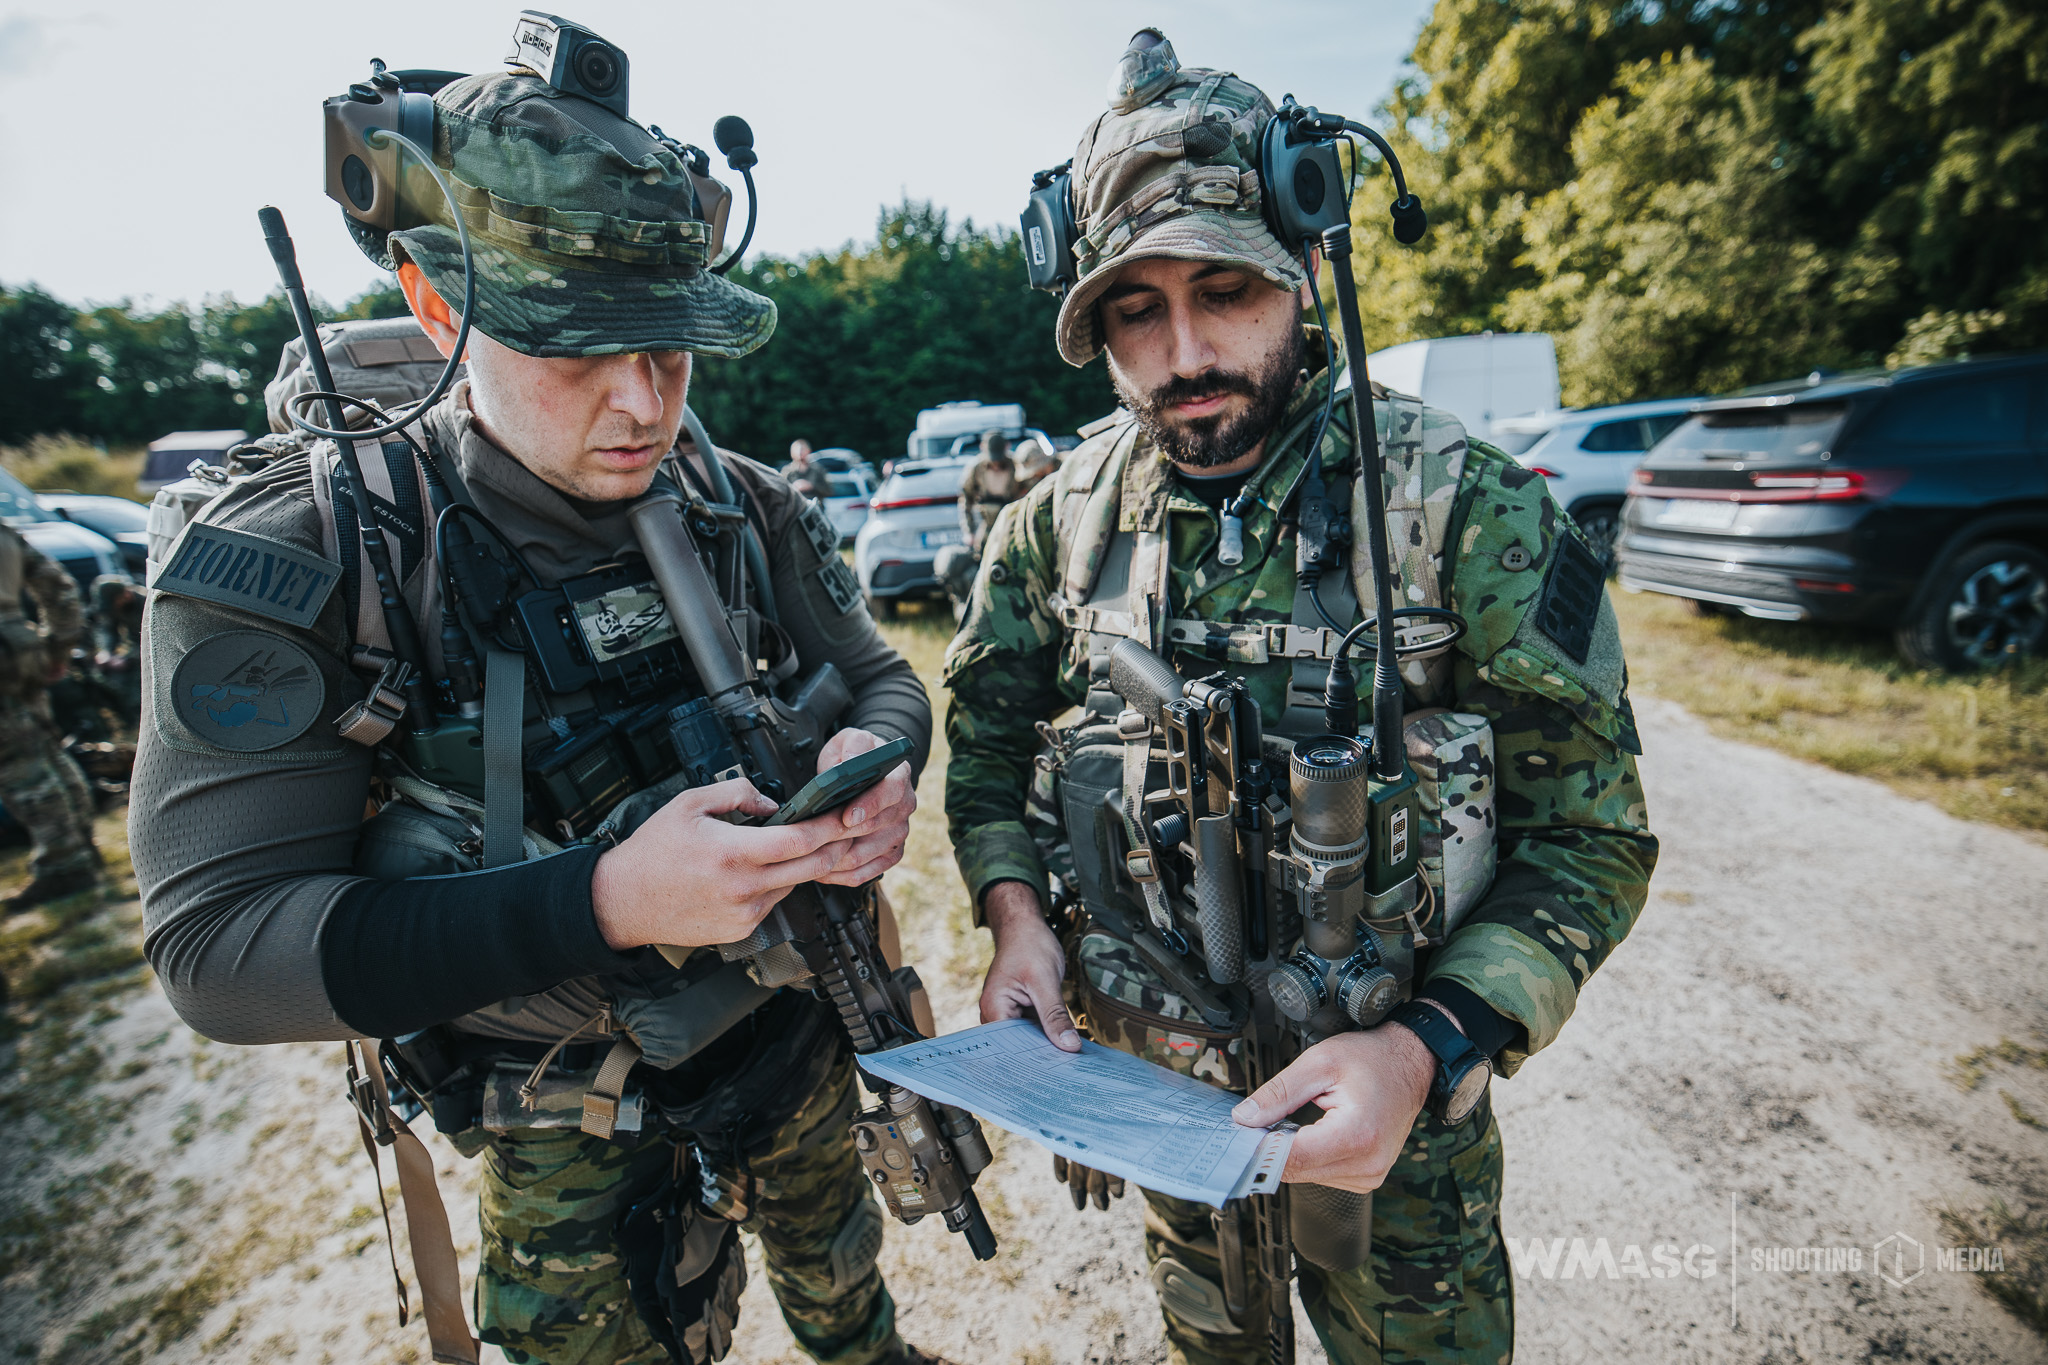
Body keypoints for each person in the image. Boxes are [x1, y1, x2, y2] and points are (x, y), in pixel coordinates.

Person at [132, 46, 950, 1365]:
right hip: (560, 1106)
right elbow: (219, 953)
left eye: (669, 342)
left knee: (846, 1291)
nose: (643, 402)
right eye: (574, 343)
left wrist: (880, 752)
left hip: (788, 1026)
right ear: (434, 302)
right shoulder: (313, 554)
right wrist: (608, 902)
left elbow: (881, 675)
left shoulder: (740, 499)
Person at [944, 31, 1657, 1365]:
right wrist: (1014, 917)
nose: (1187, 347)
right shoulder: (1053, 533)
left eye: (1226, 288)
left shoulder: (1462, 509)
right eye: (1136, 311)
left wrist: (1428, 1044)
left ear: (1304, 269)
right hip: (1165, 1110)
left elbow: (1592, 831)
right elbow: (982, 749)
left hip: (1400, 1138)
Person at [0, 523, 101, 911]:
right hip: (20, 647)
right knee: (46, 751)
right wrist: (59, 646)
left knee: (18, 767)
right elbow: (58, 586)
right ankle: (78, 845)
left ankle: (63, 863)